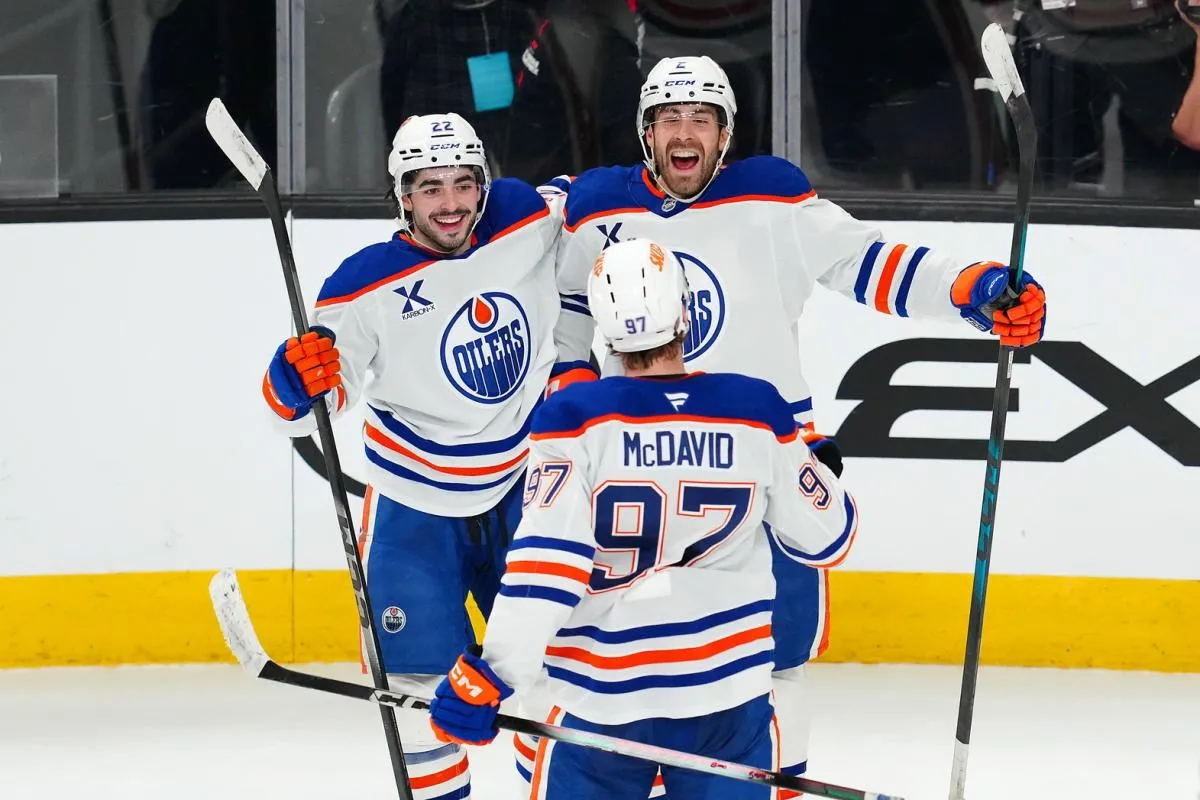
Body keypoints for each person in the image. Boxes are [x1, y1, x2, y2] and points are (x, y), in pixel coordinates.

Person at [545, 55, 1048, 796]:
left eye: (702, 120)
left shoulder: (773, 197)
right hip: (638, 464)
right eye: (670, 120)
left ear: (725, 134)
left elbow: (871, 263)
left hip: (767, 464)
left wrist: (971, 287)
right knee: (630, 674)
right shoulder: (595, 209)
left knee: (776, 662)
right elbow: (565, 319)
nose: (685, 135)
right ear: (646, 133)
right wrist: (581, 405)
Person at [426, 238, 859, 799]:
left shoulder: (571, 420)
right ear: (686, 314)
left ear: (603, 332)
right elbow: (830, 540)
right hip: (726, 701)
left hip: (600, 702)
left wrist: (495, 675)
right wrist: (809, 467)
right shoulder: (757, 411)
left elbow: (546, 568)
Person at [259, 112, 592, 800]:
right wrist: (293, 381)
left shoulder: (528, 217)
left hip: (522, 496)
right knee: (419, 708)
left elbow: (599, 205)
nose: (450, 203)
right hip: (415, 516)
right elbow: (300, 405)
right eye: (429, 187)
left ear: (484, 184)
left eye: (464, 184)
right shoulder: (361, 287)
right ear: (402, 196)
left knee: (554, 683)